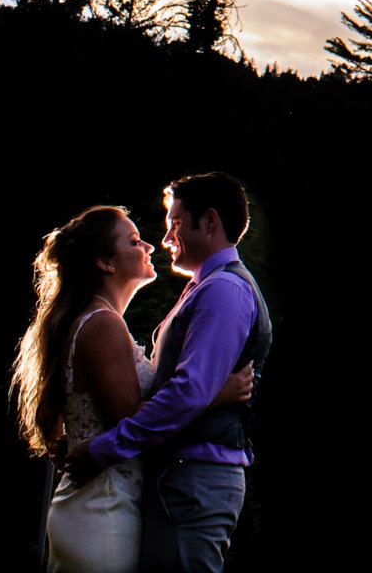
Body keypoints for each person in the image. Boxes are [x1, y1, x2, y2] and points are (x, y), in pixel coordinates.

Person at [12, 206, 254, 573]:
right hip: (104, 508)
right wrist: (217, 394)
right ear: (105, 263)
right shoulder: (103, 324)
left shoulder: (96, 320)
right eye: (134, 240)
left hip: (100, 501)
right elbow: (133, 422)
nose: (149, 247)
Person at [65, 174, 274, 573]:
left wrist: (103, 449)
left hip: (196, 480)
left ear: (209, 221)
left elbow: (189, 392)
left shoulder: (223, 290)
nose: (164, 240)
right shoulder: (205, 287)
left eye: (175, 224)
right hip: (180, 480)